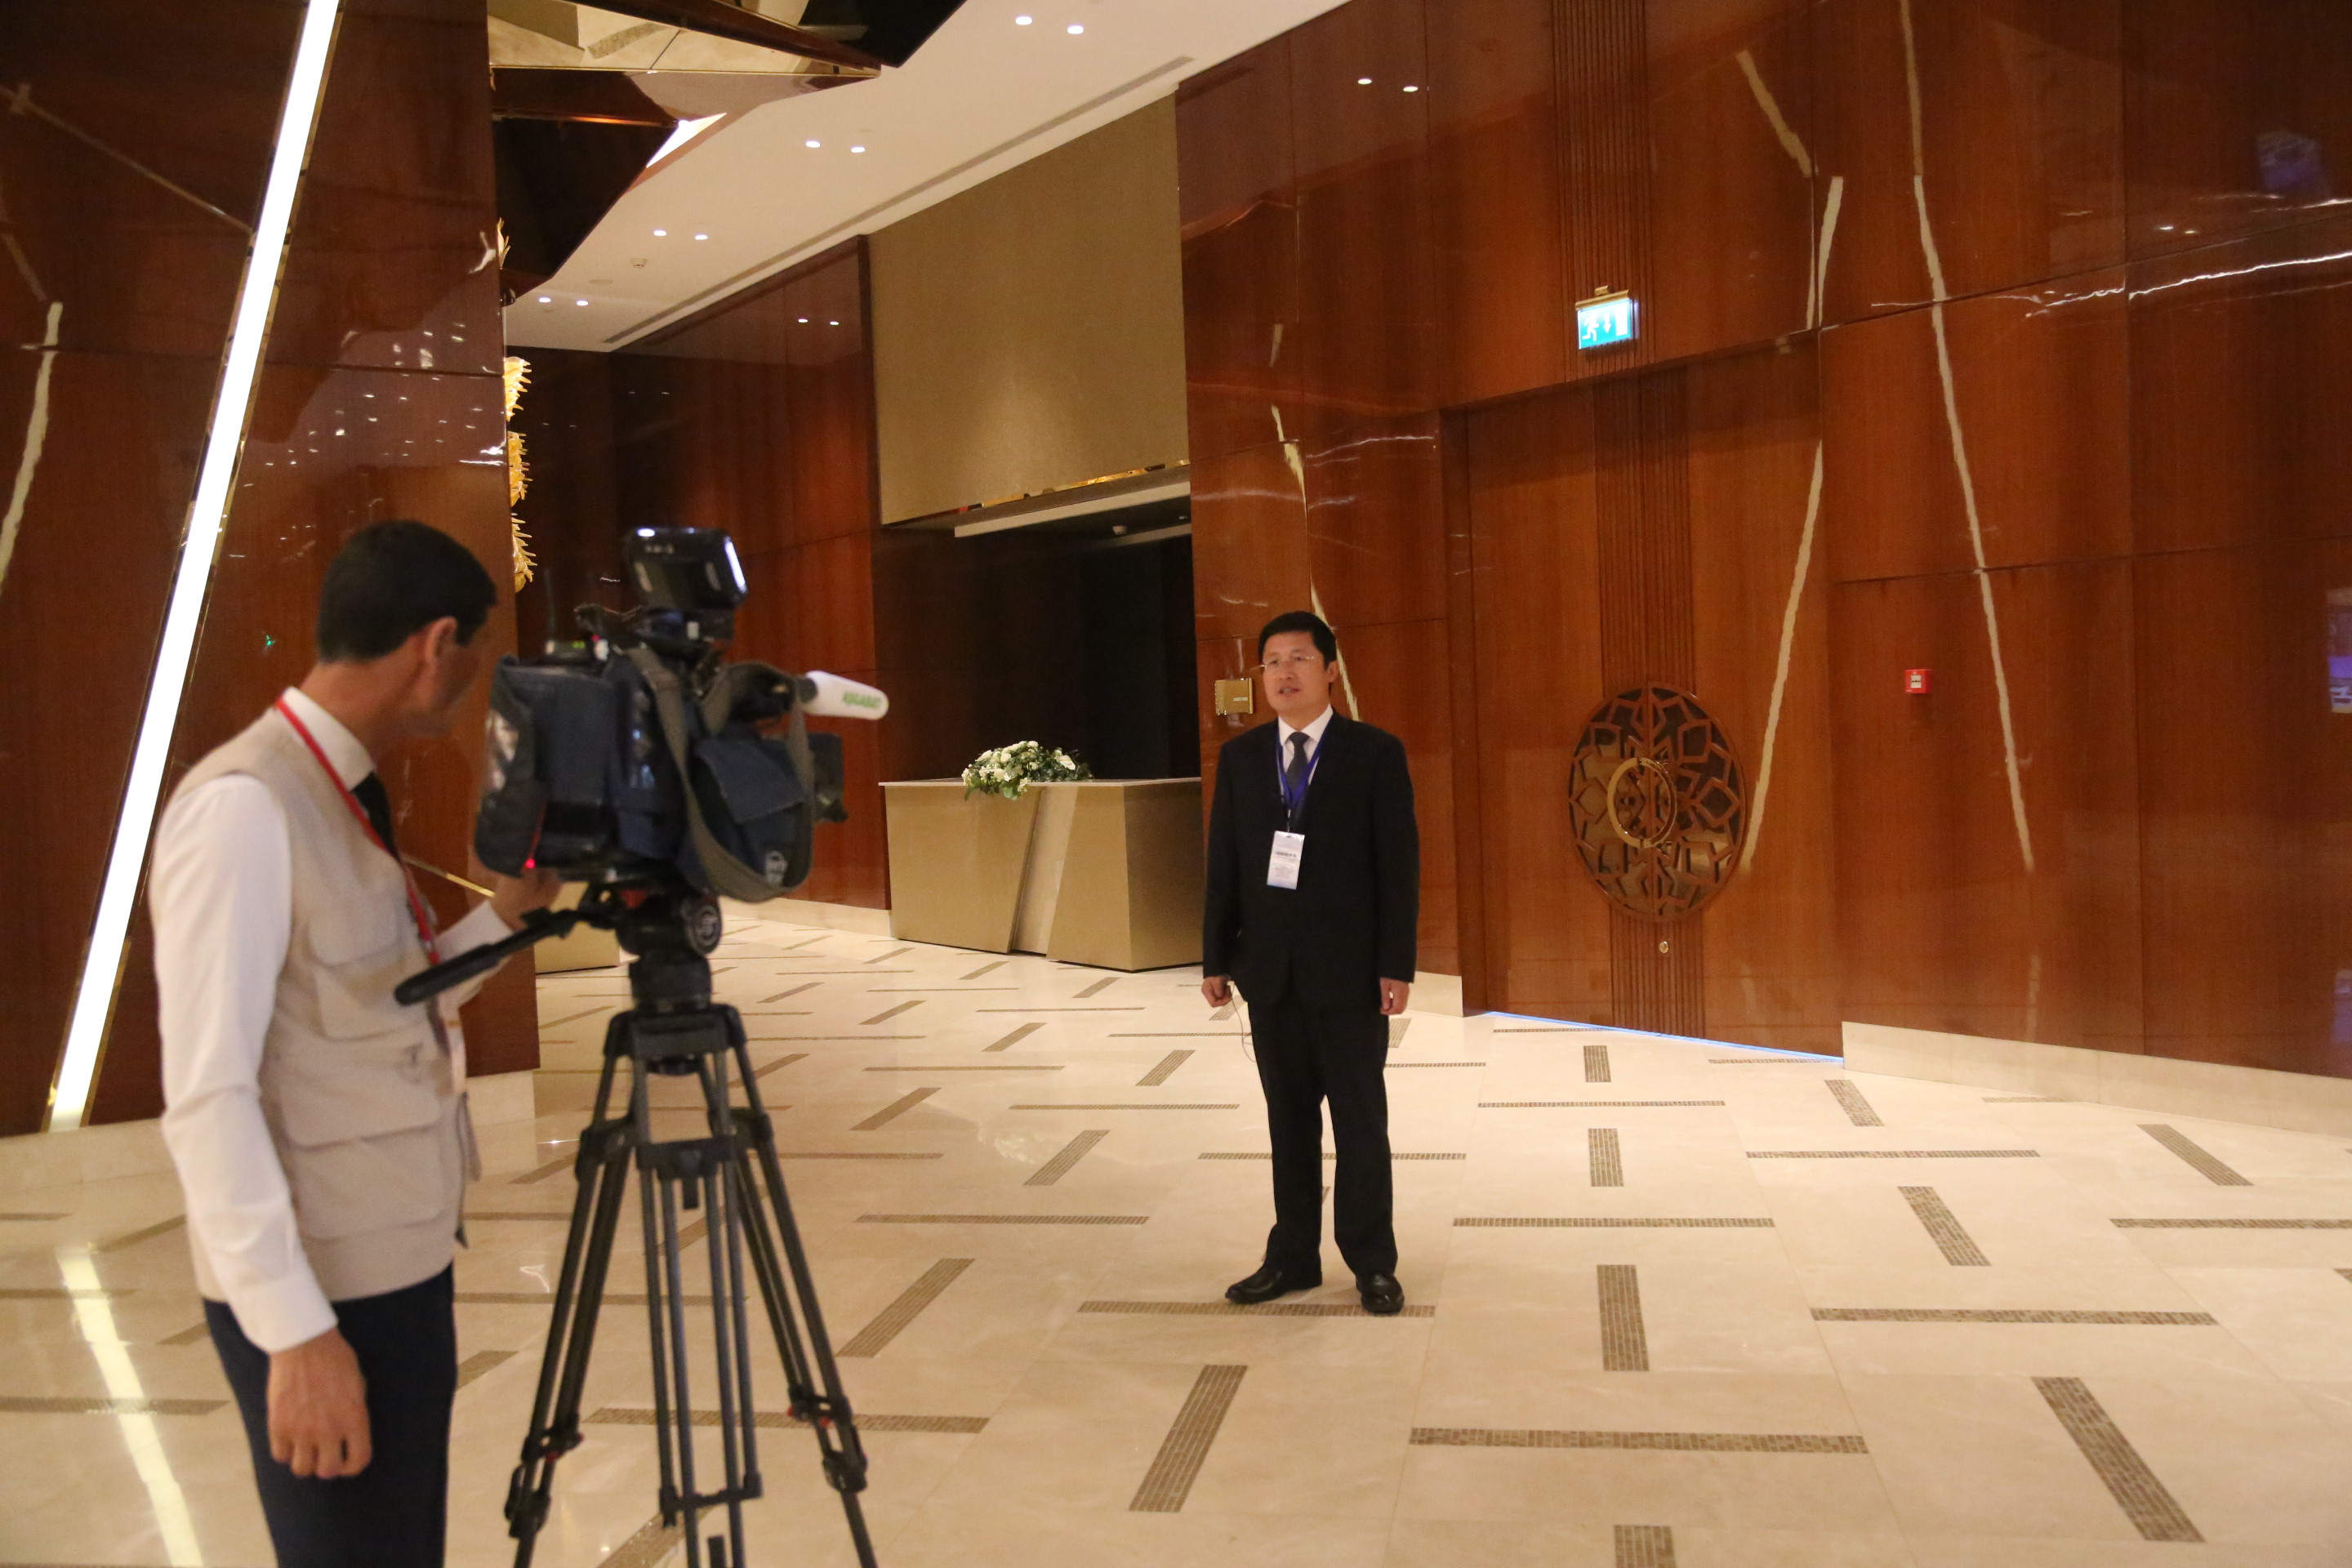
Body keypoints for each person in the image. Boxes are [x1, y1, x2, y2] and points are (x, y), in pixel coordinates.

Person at [152, 519, 560, 1567]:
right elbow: (207, 1095)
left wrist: (508, 917)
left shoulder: (339, 789)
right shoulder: (246, 806)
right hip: (328, 1297)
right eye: (472, 654)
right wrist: (294, 1332)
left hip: (398, 1268)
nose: (471, 684)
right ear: (436, 645)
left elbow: (385, 999)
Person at [1201, 609, 1419, 1316]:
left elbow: (1398, 868)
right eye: (1272, 661)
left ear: (1330, 671)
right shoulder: (1242, 759)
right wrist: (1215, 956)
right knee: (1288, 1126)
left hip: (1349, 976)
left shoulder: (1374, 753)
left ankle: (1372, 1263)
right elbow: (1225, 863)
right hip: (1270, 975)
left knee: (1361, 1126)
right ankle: (1292, 1257)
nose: (1284, 672)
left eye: (1299, 658)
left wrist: (1396, 963)